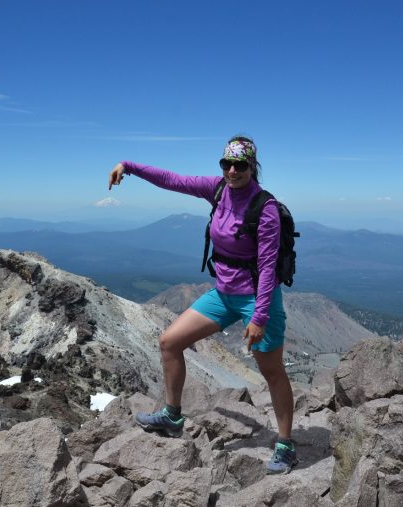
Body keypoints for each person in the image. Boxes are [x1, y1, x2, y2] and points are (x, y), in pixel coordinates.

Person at [107, 135, 298, 475]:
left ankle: (285, 445)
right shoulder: (217, 189)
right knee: (169, 342)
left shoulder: (265, 208)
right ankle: (172, 416)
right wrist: (130, 166)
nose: (233, 170)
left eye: (241, 165)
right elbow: (173, 180)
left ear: (253, 167)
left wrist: (260, 315)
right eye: (227, 164)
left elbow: (268, 266)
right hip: (222, 295)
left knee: (271, 372)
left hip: (255, 298)